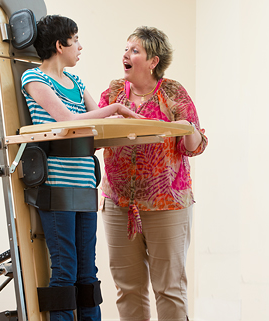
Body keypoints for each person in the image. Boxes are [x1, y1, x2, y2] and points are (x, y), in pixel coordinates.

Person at [21, 15, 141, 321]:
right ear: (60, 45)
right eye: (75, 41)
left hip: (86, 184)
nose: (80, 47)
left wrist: (114, 122)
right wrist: (115, 108)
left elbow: (94, 122)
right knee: (65, 271)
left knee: (88, 272)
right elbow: (69, 121)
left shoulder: (75, 82)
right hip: (57, 186)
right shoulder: (34, 80)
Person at [99, 26, 208, 321]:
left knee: (169, 288)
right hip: (119, 204)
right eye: (126, 49)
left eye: (135, 51)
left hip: (167, 204)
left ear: (153, 62)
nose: (126, 55)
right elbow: (96, 136)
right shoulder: (111, 92)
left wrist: (187, 129)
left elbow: (195, 146)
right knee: (128, 288)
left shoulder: (172, 92)